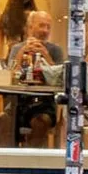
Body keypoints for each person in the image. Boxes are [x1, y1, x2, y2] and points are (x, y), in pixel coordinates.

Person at [6, 10, 65, 146]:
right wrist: (22, 52)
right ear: (30, 27)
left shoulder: (55, 50)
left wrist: (45, 55)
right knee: (3, 121)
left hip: (44, 104)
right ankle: (9, 162)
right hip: (19, 103)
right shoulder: (17, 48)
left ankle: (34, 161)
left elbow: (60, 79)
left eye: (48, 27)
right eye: (41, 25)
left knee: (40, 122)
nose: (45, 30)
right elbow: (10, 75)